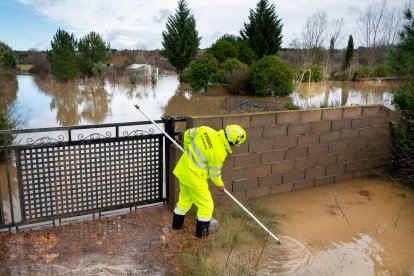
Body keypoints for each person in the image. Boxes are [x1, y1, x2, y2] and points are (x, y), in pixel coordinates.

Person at [171, 125, 247, 238]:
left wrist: (187, 149)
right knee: (206, 206)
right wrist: (220, 184)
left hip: (182, 170)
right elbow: (214, 174)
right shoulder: (220, 152)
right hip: (195, 178)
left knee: (185, 200)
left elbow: (187, 134)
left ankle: (176, 227)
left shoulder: (206, 130)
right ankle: (201, 237)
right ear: (232, 142)